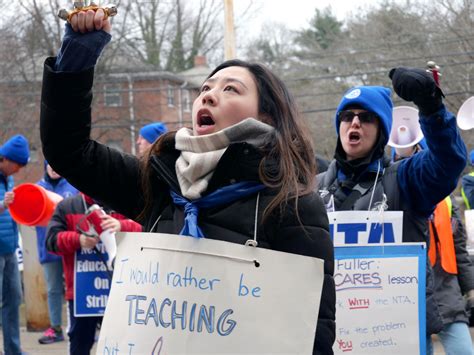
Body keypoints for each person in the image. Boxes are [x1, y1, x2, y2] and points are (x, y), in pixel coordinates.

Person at [40, 9, 335, 354]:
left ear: (266, 115)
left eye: (230, 89)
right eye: (205, 88)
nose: (208, 95)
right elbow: (68, 152)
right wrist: (77, 58)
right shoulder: (158, 181)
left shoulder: (291, 203)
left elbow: (313, 332)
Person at [316, 71, 467, 338]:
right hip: (330, 332)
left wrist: (431, 107)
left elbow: (449, 162)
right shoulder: (312, 189)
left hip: (395, 333)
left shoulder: (406, 179)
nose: (354, 123)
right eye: (347, 116)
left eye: (366, 117)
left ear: (382, 129)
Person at [392, 144, 474, 354]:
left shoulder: (446, 201)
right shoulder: (390, 195)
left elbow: (459, 249)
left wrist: (470, 288)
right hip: (407, 295)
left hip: (446, 292)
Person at [45, 193, 142, 355]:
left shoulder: (126, 200)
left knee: (121, 345)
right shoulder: (67, 206)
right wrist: (78, 239)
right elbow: (51, 241)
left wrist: (122, 226)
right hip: (81, 296)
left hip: (121, 293)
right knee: (80, 345)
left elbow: (148, 231)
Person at [36, 162, 78, 344]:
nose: (54, 167)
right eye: (50, 165)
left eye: (56, 163)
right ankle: (56, 328)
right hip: (49, 246)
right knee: (53, 289)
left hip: (71, 245)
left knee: (76, 287)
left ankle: (82, 323)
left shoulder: (72, 185)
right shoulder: (38, 188)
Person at [0, 134, 30, 355]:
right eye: (18, 164)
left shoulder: (8, 178)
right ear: (6, 159)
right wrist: (3, 204)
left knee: (14, 299)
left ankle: (13, 350)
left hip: (9, 248)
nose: (19, 170)